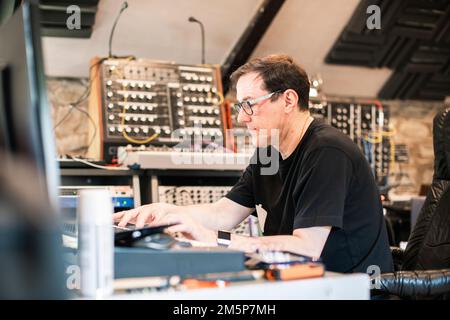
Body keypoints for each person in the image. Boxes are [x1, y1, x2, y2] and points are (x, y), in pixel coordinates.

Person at [114, 54, 394, 273]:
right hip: (296, 280)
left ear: (288, 100)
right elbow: (224, 214)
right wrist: (168, 211)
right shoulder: (268, 153)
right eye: (240, 106)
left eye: (250, 104)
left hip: (348, 289)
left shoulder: (328, 152)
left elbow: (307, 248)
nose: (241, 118)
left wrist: (215, 239)